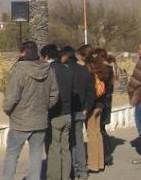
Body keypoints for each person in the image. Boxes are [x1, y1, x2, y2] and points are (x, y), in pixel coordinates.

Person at [2, 41, 59, 180]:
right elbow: (54, 94)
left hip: (20, 121)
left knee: (12, 154)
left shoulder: (19, 70)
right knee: (36, 154)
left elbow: (11, 98)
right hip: (40, 119)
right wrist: (45, 107)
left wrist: (8, 110)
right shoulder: (48, 69)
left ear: (23, 53)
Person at [61, 45, 95, 180]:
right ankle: (82, 169)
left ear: (64, 56)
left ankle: (72, 169)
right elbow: (91, 92)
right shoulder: (84, 70)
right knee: (79, 140)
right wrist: (87, 107)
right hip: (81, 110)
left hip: (67, 111)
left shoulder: (64, 70)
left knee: (69, 142)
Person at [41, 44, 73, 180]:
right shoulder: (67, 70)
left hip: (54, 115)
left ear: (46, 56)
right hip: (67, 113)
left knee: (53, 149)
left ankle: (54, 177)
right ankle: (66, 176)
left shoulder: (48, 71)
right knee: (65, 148)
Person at [84, 52, 108, 173]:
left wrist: (86, 108)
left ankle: (93, 164)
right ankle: (100, 162)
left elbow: (90, 93)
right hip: (101, 104)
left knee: (91, 134)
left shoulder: (90, 74)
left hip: (92, 106)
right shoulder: (103, 73)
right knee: (97, 133)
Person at [94, 47, 116, 166]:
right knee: (102, 129)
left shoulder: (103, 70)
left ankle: (106, 155)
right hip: (107, 102)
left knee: (100, 130)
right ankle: (105, 155)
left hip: (102, 102)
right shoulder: (109, 68)